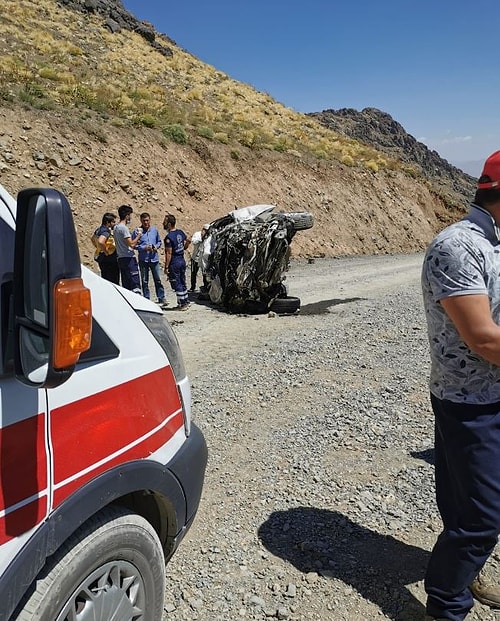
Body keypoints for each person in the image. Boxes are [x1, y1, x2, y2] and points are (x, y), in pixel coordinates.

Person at [421, 150, 500, 621]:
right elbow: (484, 339)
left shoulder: (494, 243)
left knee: (461, 498)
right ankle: (447, 603)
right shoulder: (457, 247)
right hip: (470, 400)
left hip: (486, 396)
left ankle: (464, 574)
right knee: (483, 517)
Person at [133, 212, 166, 306]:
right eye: (144, 221)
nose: (146, 222)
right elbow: (133, 245)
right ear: (141, 221)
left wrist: (156, 246)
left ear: (150, 220)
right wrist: (143, 248)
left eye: (147, 220)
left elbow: (159, 241)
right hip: (143, 259)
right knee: (144, 280)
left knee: (158, 279)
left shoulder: (154, 230)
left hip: (154, 259)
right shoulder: (137, 232)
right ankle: (146, 299)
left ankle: (161, 297)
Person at [163, 214, 190, 310]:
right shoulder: (180, 232)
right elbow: (188, 240)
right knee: (183, 280)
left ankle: (182, 303)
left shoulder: (168, 237)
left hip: (174, 262)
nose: (164, 224)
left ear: (169, 224)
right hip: (182, 260)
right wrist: (184, 248)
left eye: (165, 222)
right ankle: (186, 300)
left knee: (176, 282)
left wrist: (166, 267)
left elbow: (169, 253)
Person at [114, 204, 142, 293]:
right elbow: (131, 244)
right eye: (130, 215)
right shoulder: (124, 228)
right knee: (134, 282)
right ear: (127, 216)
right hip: (128, 258)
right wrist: (138, 236)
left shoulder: (116, 227)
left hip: (120, 258)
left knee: (126, 284)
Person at [94, 212, 119, 284]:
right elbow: (101, 241)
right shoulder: (106, 231)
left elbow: (93, 239)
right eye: (113, 222)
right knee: (113, 282)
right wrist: (106, 251)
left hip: (102, 259)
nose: (114, 224)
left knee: (105, 280)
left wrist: (99, 248)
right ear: (108, 222)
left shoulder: (98, 230)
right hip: (109, 260)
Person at [189, 223, 209, 292]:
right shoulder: (197, 234)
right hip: (195, 258)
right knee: (193, 273)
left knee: (204, 273)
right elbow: (193, 241)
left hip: (203, 258)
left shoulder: (208, 237)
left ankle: (205, 287)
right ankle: (192, 287)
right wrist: (201, 239)